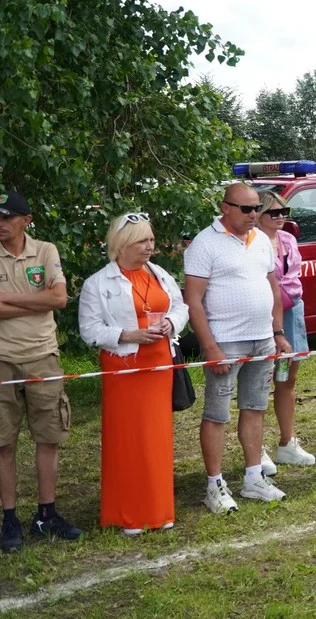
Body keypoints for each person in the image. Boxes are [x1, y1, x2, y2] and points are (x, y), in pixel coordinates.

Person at [185, 184, 291, 514]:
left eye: (256, 208)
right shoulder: (205, 243)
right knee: (217, 413)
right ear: (225, 208)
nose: (253, 215)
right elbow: (193, 300)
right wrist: (210, 345)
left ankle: (253, 477)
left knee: (255, 407)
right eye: (246, 209)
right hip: (225, 341)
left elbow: (272, 286)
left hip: (262, 338)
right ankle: (214, 484)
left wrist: (278, 332)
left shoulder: (261, 239)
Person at [79, 213, 188, 535]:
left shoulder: (160, 274)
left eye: (151, 240)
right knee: (127, 440)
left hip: (159, 365)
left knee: (157, 438)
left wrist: (171, 324)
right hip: (123, 368)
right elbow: (90, 330)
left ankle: (159, 509)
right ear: (122, 244)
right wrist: (127, 335)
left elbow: (180, 307)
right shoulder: (97, 283)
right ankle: (127, 513)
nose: (150, 247)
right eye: (143, 240)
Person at [0, 191, 80, 551]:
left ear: (26, 219)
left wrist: (8, 301)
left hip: (43, 356)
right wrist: (38, 301)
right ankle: (10, 519)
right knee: (3, 442)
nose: (1, 224)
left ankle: (46, 514)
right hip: (2, 359)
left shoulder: (45, 250)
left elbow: (59, 299)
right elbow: (48, 299)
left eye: (7, 217)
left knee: (48, 438)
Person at [255, 190, 316, 474]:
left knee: (288, 377)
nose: (280, 218)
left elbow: (292, 279)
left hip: (292, 310)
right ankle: (257, 448)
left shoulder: (289, 239)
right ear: (258, 214)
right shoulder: (252, 243)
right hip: (261, 313)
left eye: (284, 212)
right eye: (274, 213)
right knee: (259, 381)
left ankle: (287, 442)